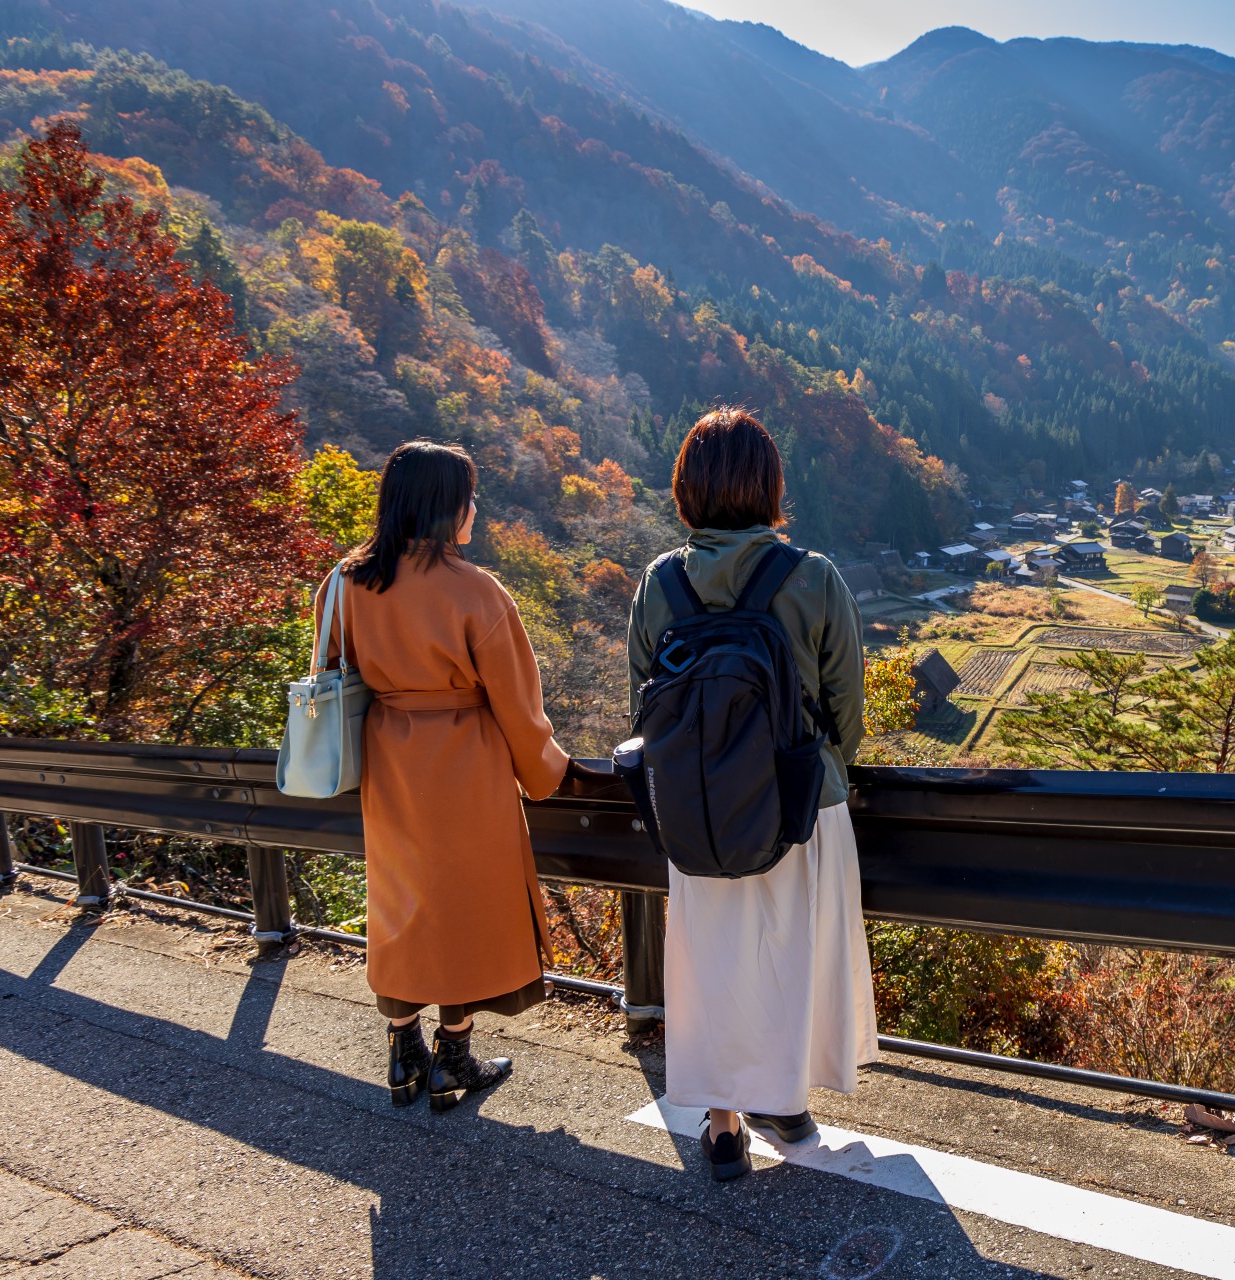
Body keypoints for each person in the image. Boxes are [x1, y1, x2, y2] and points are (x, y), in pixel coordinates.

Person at [627, 407, 876, 1181]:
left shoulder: (660, 584)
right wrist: (822, 767)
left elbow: (642, 700)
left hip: (697, 810)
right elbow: (846, 709)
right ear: (770, 486)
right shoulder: (812, 577)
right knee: (793, 952)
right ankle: (787, 1098)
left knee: (711, 959)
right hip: (801, 803)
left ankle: (726, 1125)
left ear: (686, 491)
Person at [322, 440, 573, 1112]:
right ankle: (453, 1057)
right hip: (465, 767)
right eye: (469, 497)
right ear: (447, 505)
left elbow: (333, 672)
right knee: (460, 906)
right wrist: (549, 772)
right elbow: (519, 708)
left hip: (388, 765)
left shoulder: (346, 582)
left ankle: (404, 1051)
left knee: (401, 901)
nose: (475, 510)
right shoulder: (475, 591)